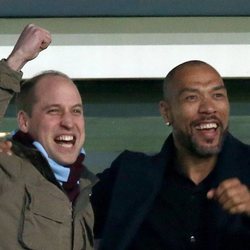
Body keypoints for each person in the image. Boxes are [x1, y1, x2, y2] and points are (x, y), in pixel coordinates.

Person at [91, 60, 250, 250]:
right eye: (192, 97)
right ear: (166, 113)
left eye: (217, 95)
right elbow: (62, 217)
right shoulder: (129, 177)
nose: (208, 108)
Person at [0, 24, 97, 249]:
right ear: (24, 121)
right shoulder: (6, 169)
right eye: (54, 111)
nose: (68, 122)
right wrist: (17, 60)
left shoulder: (84, 188)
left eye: (76, 111)